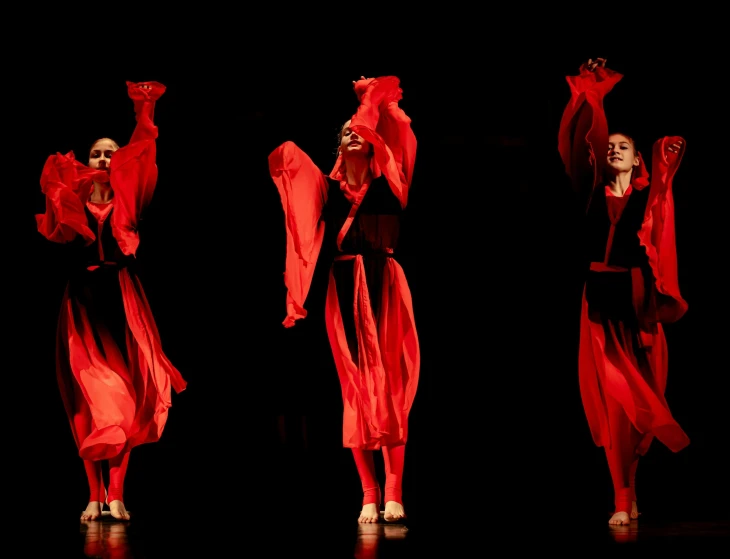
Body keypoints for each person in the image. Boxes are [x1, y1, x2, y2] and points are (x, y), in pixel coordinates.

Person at [268, 75, 419, 523]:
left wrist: (378, 103)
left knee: (389, 385)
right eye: (346, 131)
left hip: (383, 282)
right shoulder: (326, 189)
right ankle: (368, 493)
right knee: (355, 388)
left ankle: (394, 490)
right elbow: (286, 157)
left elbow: (401, 138)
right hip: (342, 285)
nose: (353, 133)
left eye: (359, 130)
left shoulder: (392, 180)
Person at [35, 80, 187, 521]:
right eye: (97, 152)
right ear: (88, 159)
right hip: (82, 304)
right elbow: (53, 218)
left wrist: (145, 109)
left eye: (110, 152)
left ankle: (116, 493)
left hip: (122, 301)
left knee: (126, 398)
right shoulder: (72, 201)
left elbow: (142, 151)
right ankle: (93, 493)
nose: (104, 158)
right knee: (87, 399)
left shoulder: (129, 198)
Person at [557, 57, 690, 525]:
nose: (613, 149)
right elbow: (582, 145)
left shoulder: (646, 198)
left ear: (636, 160)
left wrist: (666, 167)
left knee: (639, 408)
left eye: (623, 146)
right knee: (614, 399)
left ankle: (629, 488)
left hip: (638, 306)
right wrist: (591, 98)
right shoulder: (592, 191)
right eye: (610, 145)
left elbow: (660, 234)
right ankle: (619, 496)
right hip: (600, 303)